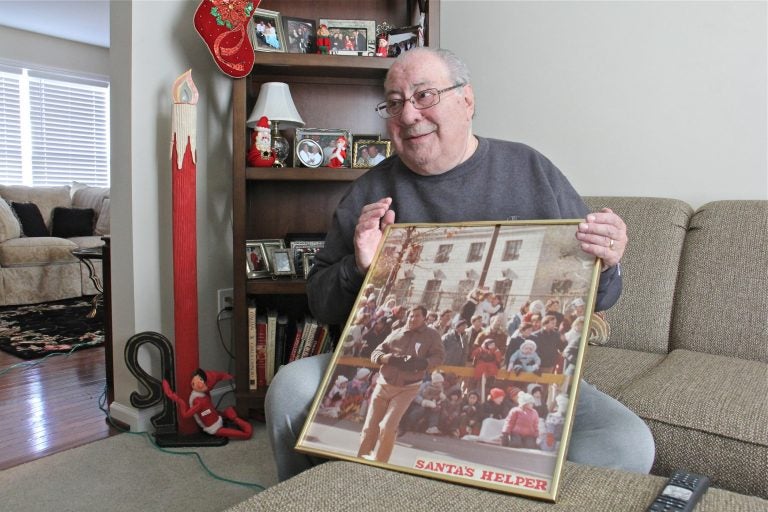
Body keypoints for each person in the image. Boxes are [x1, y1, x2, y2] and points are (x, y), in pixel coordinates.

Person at [265, 47, 653, 482]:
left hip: (515, 373)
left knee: (627, 442)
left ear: (466, 101)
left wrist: (609, 259)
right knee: (290, 389)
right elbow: (322, 304)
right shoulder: (370, 190)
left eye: (424, 96)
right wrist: (357, 266)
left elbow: (600, 294)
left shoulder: (530, 169)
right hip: (389, 369)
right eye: (394, 103)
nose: (408, 115)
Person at [356, 305, 444, 463]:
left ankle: (379, 463)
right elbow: (376, 352)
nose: (412, 318)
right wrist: (386, 358)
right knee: (370, 427)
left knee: (387, 427)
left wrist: (423, 363)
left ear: (424, 318)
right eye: (410, 315)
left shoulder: (432, 336)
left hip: (407, 388)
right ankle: (361, 461)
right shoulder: (397, 332)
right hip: (383, 384)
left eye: (417, 315)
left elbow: (439, 357)